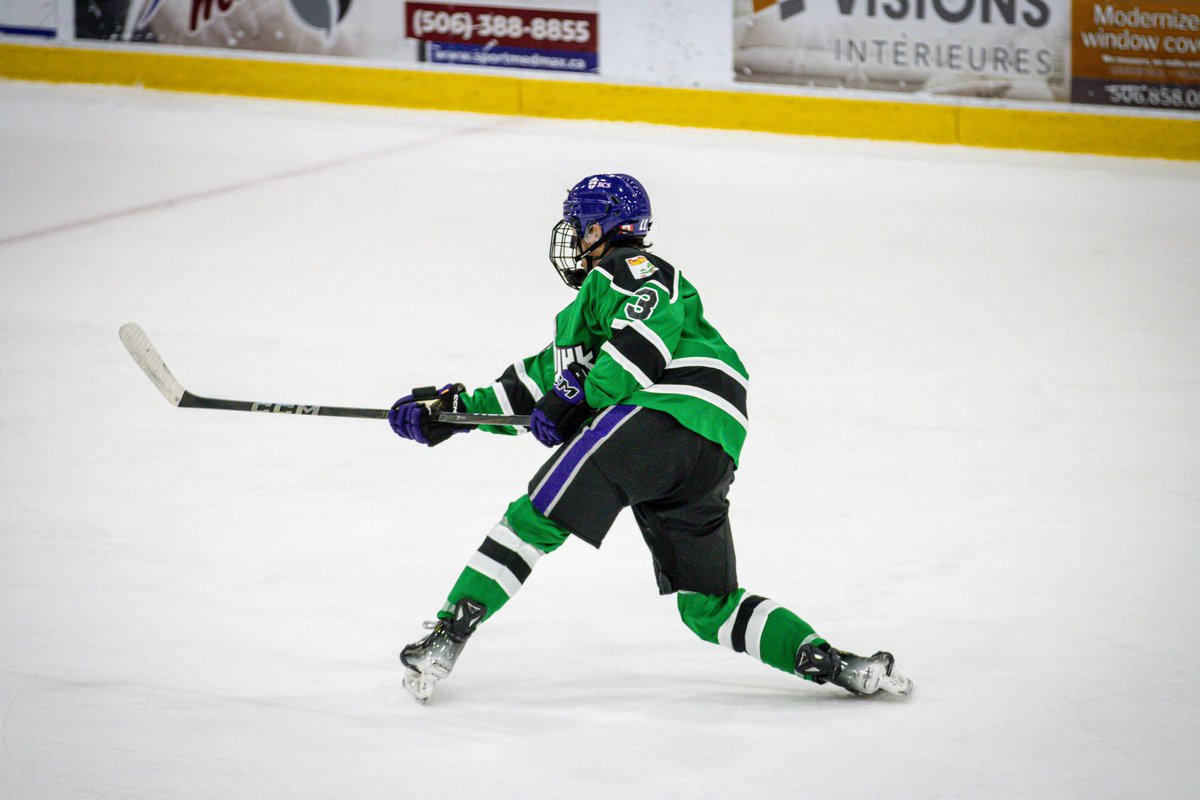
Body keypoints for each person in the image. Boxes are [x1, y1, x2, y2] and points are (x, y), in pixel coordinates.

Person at [387, 173, 912, 702]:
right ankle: (836, 664)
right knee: (708, 608)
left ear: (603, 228)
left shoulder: (628, 269)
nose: (573, 239)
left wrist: (580, 399)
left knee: (534, 518)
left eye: (580, 228)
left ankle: (445, 638)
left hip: (663, 413)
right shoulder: (587, 319)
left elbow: (641, 342)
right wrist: (452, 412)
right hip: (712, 443)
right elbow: (536, 385)